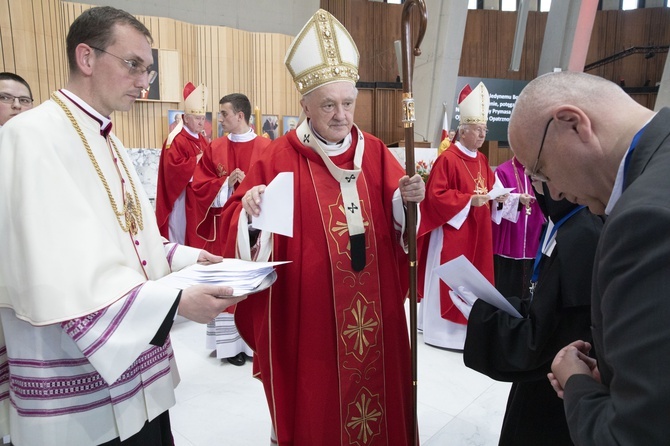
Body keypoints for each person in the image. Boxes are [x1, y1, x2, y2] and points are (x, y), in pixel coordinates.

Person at [0, 6, 246, 445]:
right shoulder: (30, 136)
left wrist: (190, 256)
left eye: (148, 70)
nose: (144, 82)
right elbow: (55, 270)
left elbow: (128, 238)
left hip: (139, 367)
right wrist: (172, 305)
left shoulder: (109, 140)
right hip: (78, 382)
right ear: (87, 58)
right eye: (134, 65)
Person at [217, 9, 424, 444]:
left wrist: (406, 202)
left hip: (375, 309)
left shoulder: (378, 153)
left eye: (348, 103)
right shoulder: (277, 158)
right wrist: (251, 212)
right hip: (309, 314)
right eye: (328, 104)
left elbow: (398, 223)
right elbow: (239, 220)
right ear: (304, 105)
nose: (340, 115)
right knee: (318, 401)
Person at [508, 70, 670, 445]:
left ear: (572, 124)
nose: (555, 191)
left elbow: (633, 436)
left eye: (542, 171)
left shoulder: (643, 220)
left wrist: (576, 382)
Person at [460, 182, 602, 445]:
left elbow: (551, 340)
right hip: (544, 380)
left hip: (558, 385)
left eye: (539, 174)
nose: (533, 183)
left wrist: (486, 320)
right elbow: (547, 301)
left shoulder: (582, 235)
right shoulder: (562, 222)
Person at [417, 82, 505, 351]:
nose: (482, 135)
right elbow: (435, 196)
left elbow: (490, 187)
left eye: (484, 130)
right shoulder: (449, 159)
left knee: (474, 277)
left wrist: (501, 197)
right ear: (463, 131)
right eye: (478, 130)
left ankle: (470, 329)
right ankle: (442, 332)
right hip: (453, 231)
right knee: (450, 276)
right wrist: (469, 200)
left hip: (477, 231)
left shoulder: (480, 158)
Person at [192, 93, 271, 366]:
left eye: (224, 114)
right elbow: (199, 187)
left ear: (240, 115)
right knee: (227, 285)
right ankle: (230, 346)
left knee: (253, 286)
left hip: (258, 232)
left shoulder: (267, 147)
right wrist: (226, 182)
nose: (220, 119)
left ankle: (255, 343)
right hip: (224, 230)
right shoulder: (215, 148)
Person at [155, 82, 210, 247]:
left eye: (203, 118)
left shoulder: (202, 139)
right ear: (186, 118)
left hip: (199, 199)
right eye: (197, 118)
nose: (201, 123)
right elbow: (172, 171)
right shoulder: (176, 140)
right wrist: (196, 161)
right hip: (181, 199)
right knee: (181, 236)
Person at [491, 156, 545, 301]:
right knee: (508, 290)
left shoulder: (542, 170)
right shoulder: (503, 171)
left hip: (535, 231)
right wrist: (517, 199)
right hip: (512, 235)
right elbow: (496, 203)